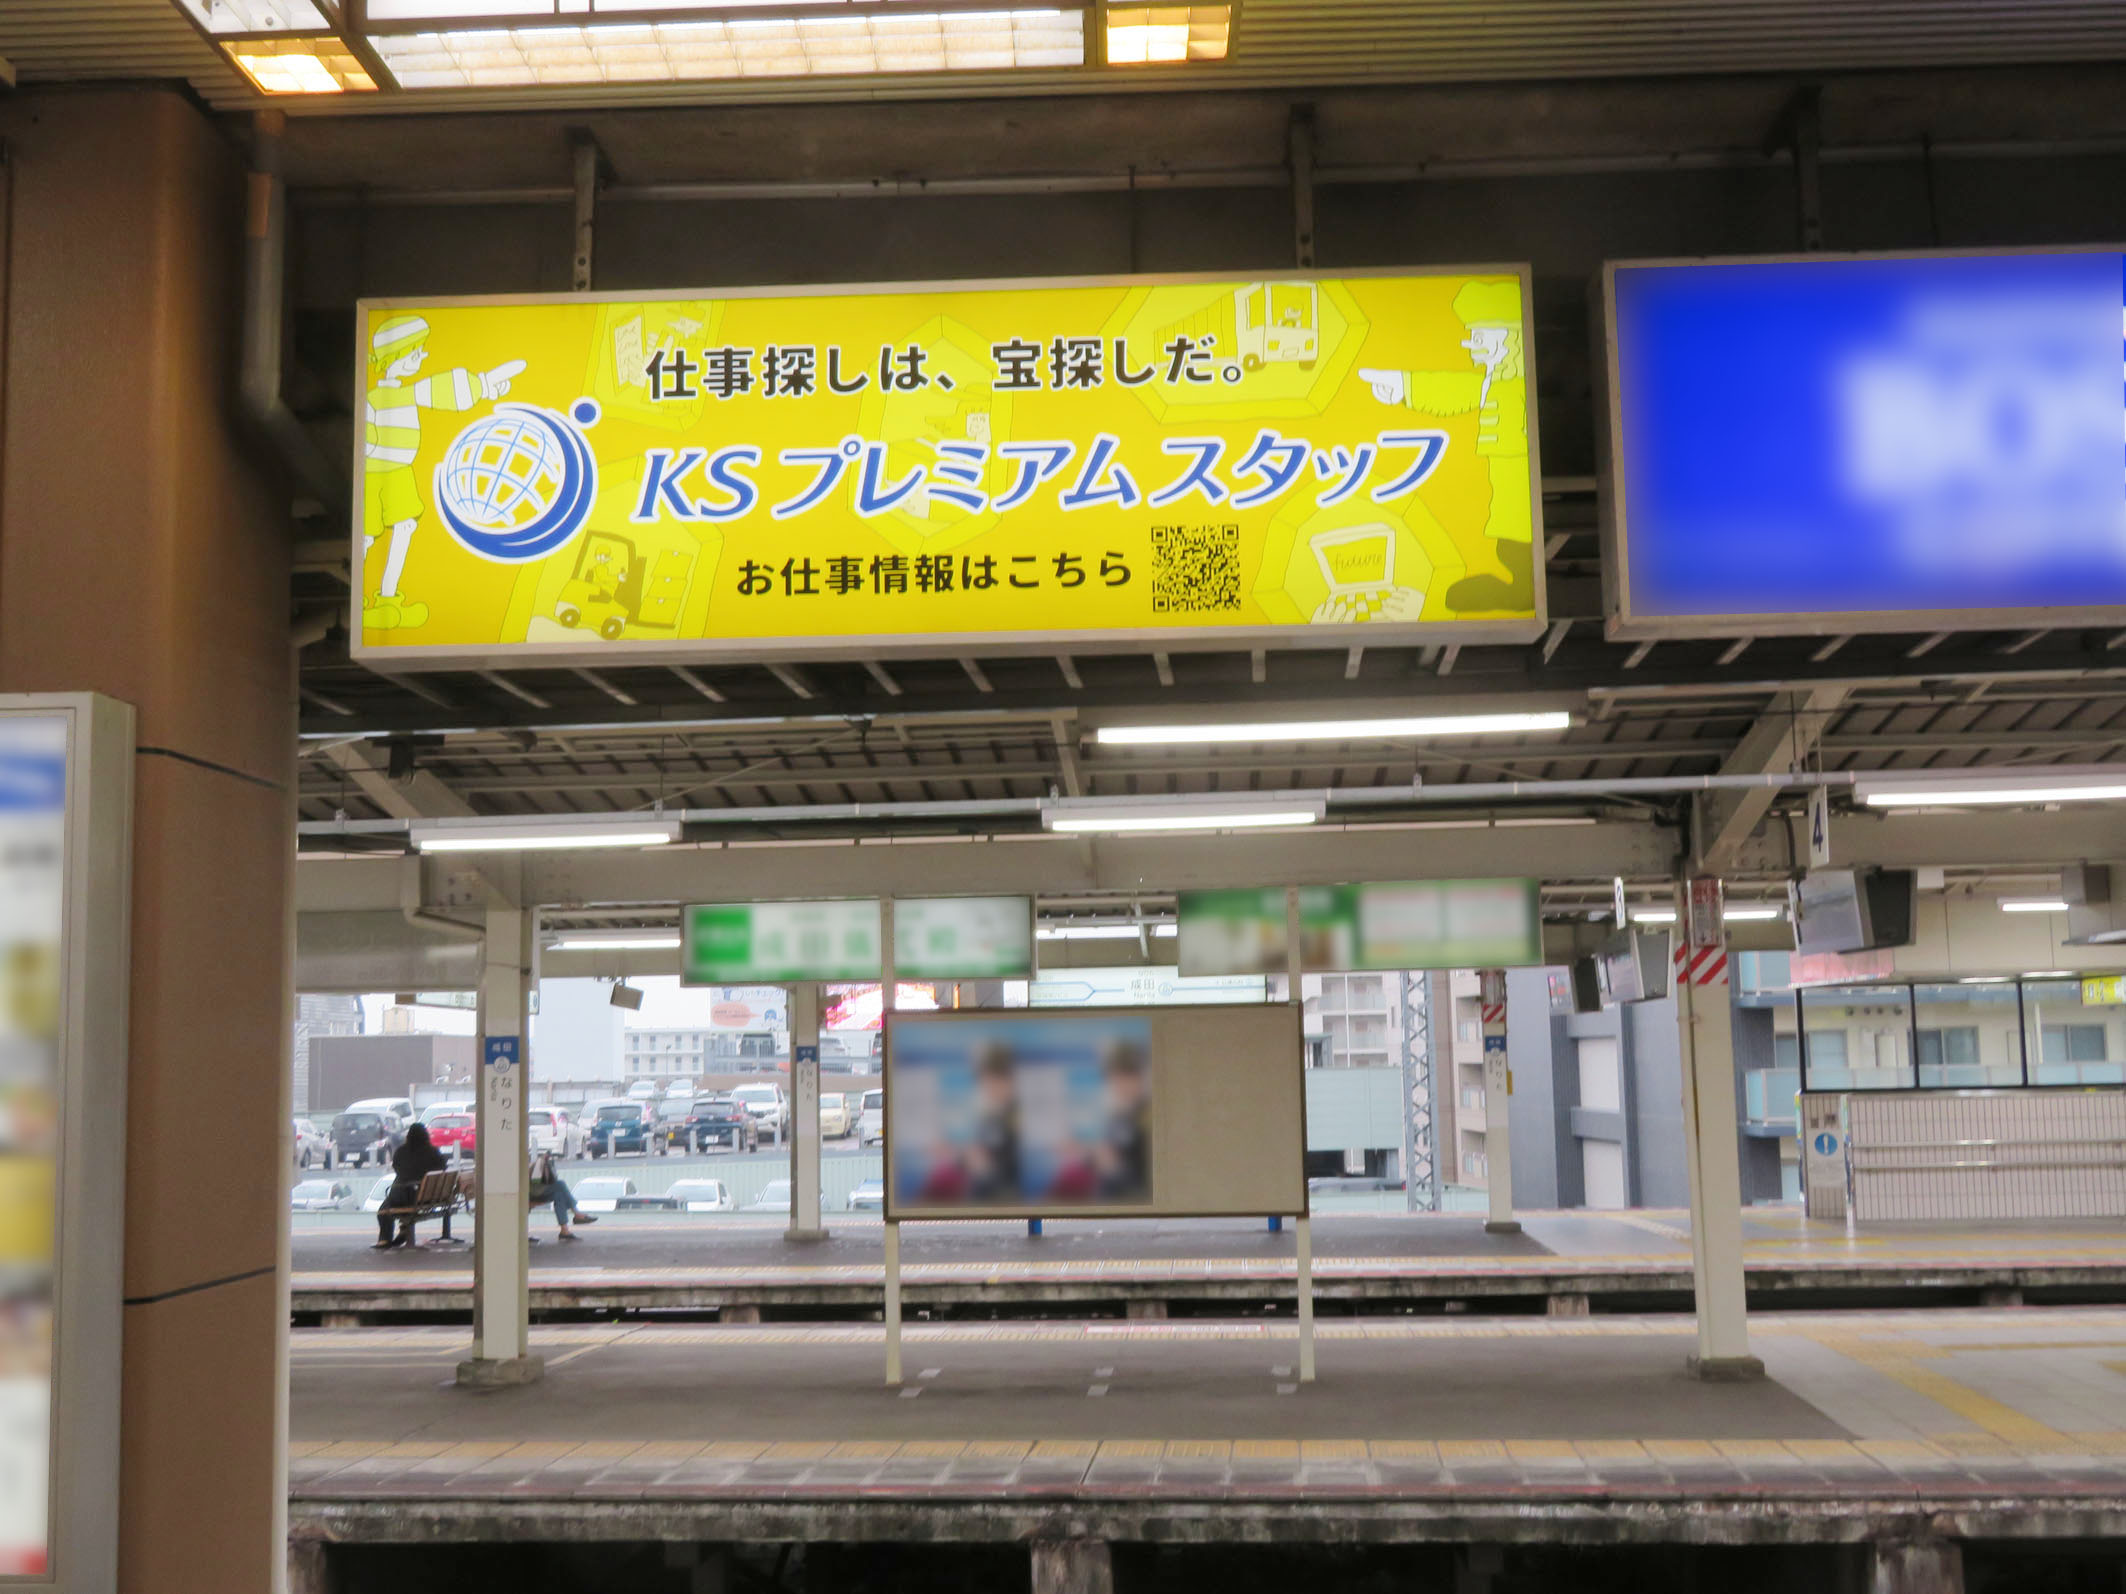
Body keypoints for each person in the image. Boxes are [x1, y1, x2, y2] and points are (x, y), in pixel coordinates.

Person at [374, 1121, 447, 1249]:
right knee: (399, 1193)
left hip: (403, 1197)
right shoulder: (434, 1152)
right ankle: (403, 1229)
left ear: (409, 1136)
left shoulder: (401, 1152)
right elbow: (443, 1168)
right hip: (427, 1197)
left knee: (383, 1210)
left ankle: (385, 1239)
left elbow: (398, 1169)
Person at [530, 1150, 597, 1240]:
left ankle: (564, 1230)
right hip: (530, 1194)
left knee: (559, 1195)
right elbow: (534, 1181)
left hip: (535, 1192)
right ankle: (577, 1214)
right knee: (560, 1184)